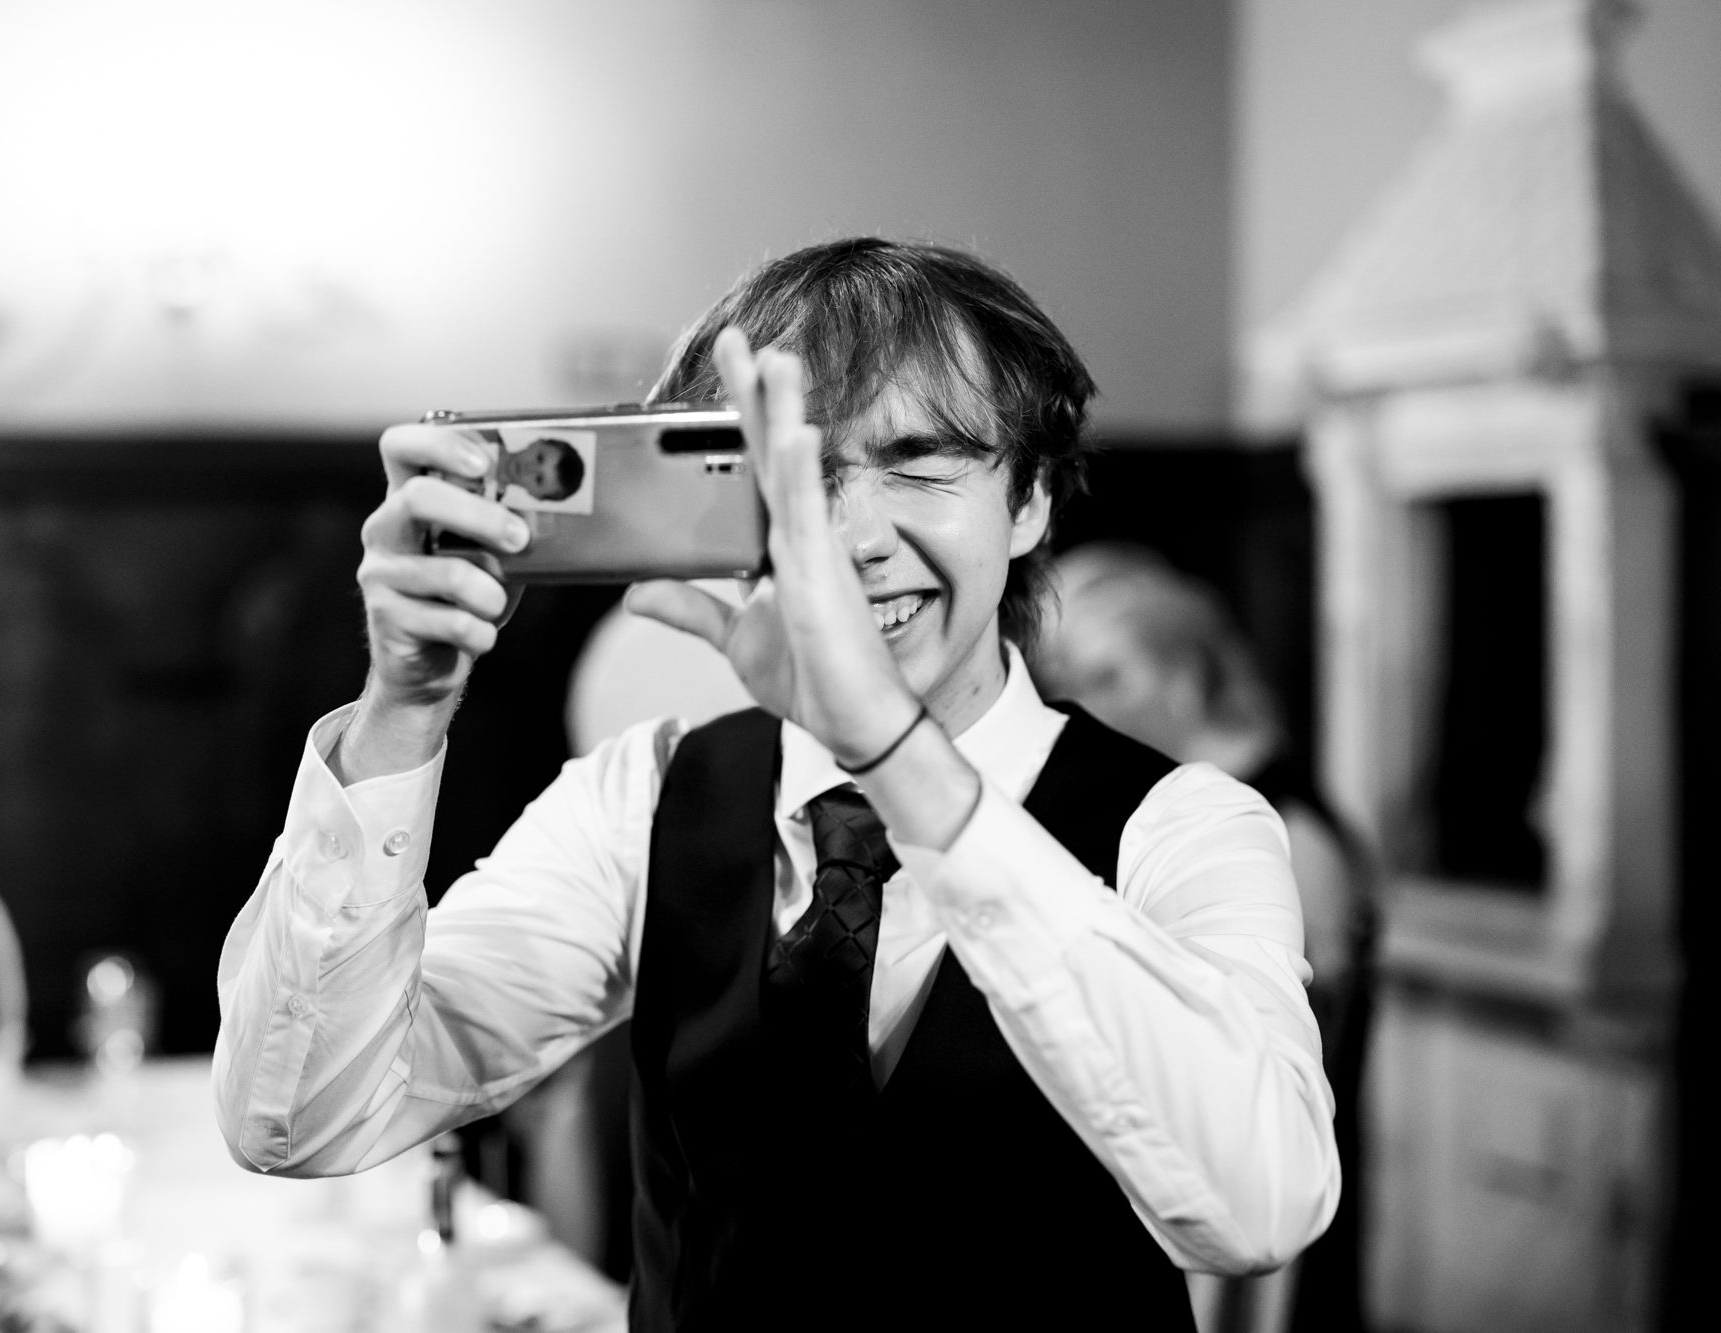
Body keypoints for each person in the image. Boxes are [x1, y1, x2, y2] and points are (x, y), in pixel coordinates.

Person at [213, 238, 1340, 1332]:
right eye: (793, 479)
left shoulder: (1186, 827)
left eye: (920, 463)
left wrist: (894, 753)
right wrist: (402, 708)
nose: (850, 539)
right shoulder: (643, 799)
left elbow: (1262, 1208)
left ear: (1031, 498)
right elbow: (300, 1119)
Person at [1025, 542, 1375, 1333]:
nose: (1084, 704)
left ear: (1183, 675)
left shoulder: (1288, 830)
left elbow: (1275, 1091)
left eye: (1109, 676)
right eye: (1069, 682)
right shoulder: (1157, 806)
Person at [496, 434, 587, 505]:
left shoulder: (492, 511)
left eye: (539, 479)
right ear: (537, 442)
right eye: (539, 458)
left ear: (536, 495)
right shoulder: (489, 430)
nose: (530, 468)